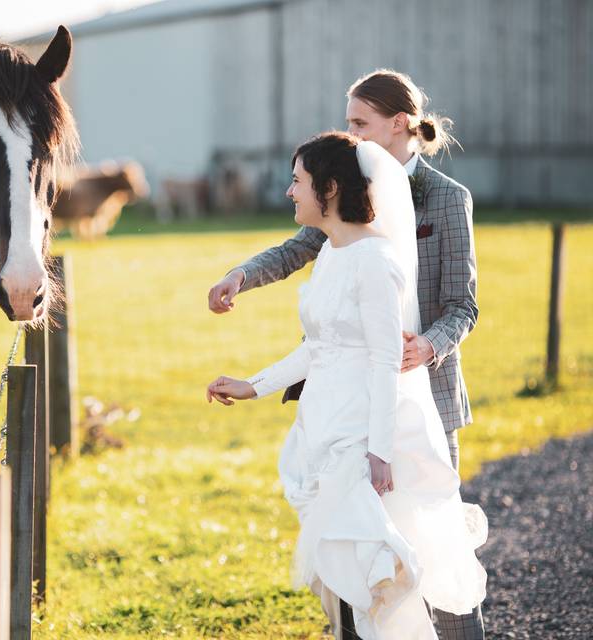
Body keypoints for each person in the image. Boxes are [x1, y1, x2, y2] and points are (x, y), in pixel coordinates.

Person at [207, 69, 483, 638]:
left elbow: (463, 304)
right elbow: (301, 248)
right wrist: (242, 276)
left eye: (361, 123)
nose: (350, 133)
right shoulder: (342, 195)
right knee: (359, 569)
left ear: (398, 124)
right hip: (348, 409)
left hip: (420, 402)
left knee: (433, 555)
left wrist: (427, 345)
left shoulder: (448, 199)